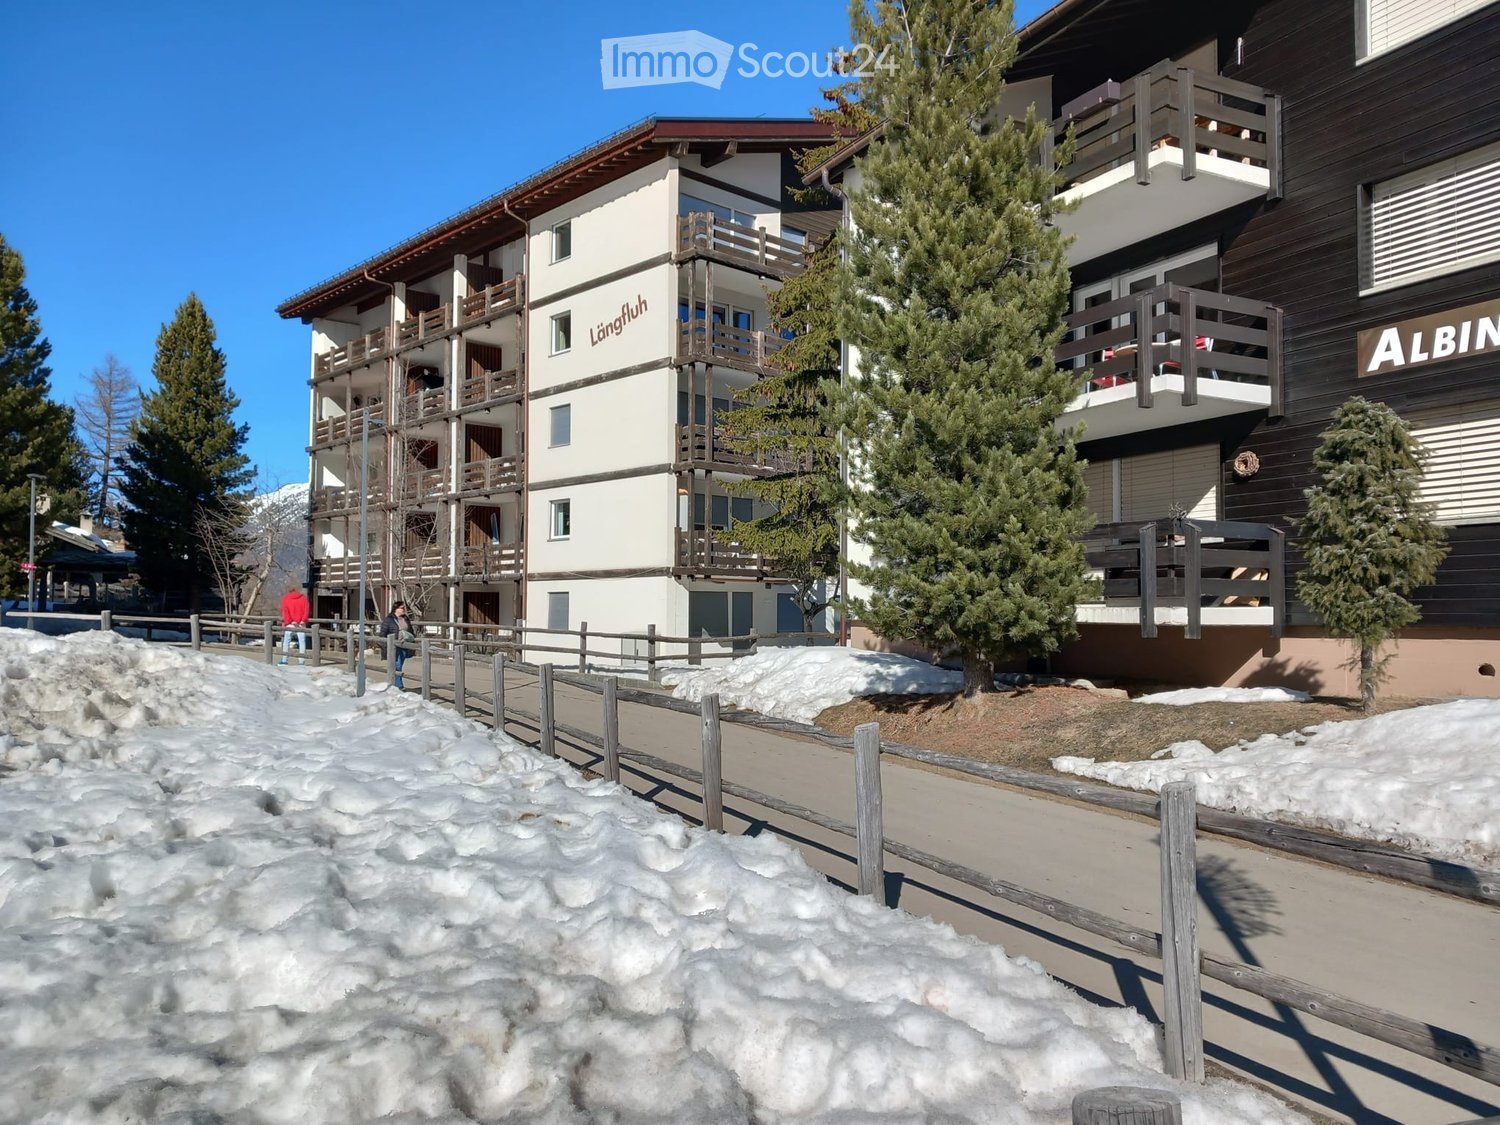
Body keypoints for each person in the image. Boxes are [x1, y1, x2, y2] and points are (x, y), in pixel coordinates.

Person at [378, 600, 414, 689]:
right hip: (394, 646)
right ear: (396, 609)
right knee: (397, 665)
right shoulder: (389, 619)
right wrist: (385, 647)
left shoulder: (405, 618)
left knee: (400, 664)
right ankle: (399, 685)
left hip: (405, 644)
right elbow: (383, 633)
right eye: (402, 608)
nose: (404, 609)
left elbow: (411, 630)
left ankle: (395, 684)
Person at [279, 584, 311, 666]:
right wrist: (303, 620)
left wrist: (290, 621)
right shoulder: (303, 598)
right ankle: (301, 661)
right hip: (301, 624)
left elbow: (285, 612)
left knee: (286, 641)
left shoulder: (286, 599)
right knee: (302, 642)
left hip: (290, 624)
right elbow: (306, 610)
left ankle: (284, 660)